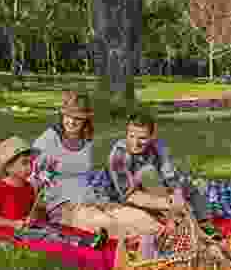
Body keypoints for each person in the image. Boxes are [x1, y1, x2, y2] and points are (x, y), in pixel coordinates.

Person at [32, 91, 163, 238]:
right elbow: (33, 178)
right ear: (62, 116)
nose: (72, 122)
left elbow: (84, 175)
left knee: (139, 218)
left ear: (85, 120)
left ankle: (164, 236)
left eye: (78, 118)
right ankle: (143, 244)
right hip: (64, 206)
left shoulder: (86, 139)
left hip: (92, 197)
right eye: (68, 116)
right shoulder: (48, 141)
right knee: (107, 224)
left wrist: (98, 201)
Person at [108, 111, 210, 228]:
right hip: (133, 199)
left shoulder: (158, 146)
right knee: (148, 171)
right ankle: (178, 220)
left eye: (142, 138)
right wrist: (168, 203)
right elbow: (127, 196)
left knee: (195, 184)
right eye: (131, 136)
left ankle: (205, 225)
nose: (135, 143)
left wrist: (177, 193)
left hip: (158, 191)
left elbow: (170, 175)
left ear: (152, 136)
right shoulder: (119, 155)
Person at [0, 136, 39, 229]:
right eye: (24, 163)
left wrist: (32, 219)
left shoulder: (29, 187)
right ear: (8, 167)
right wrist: (12, 224)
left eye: (31, 162)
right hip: (8, 233)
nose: (30, 168)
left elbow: (30, 213)